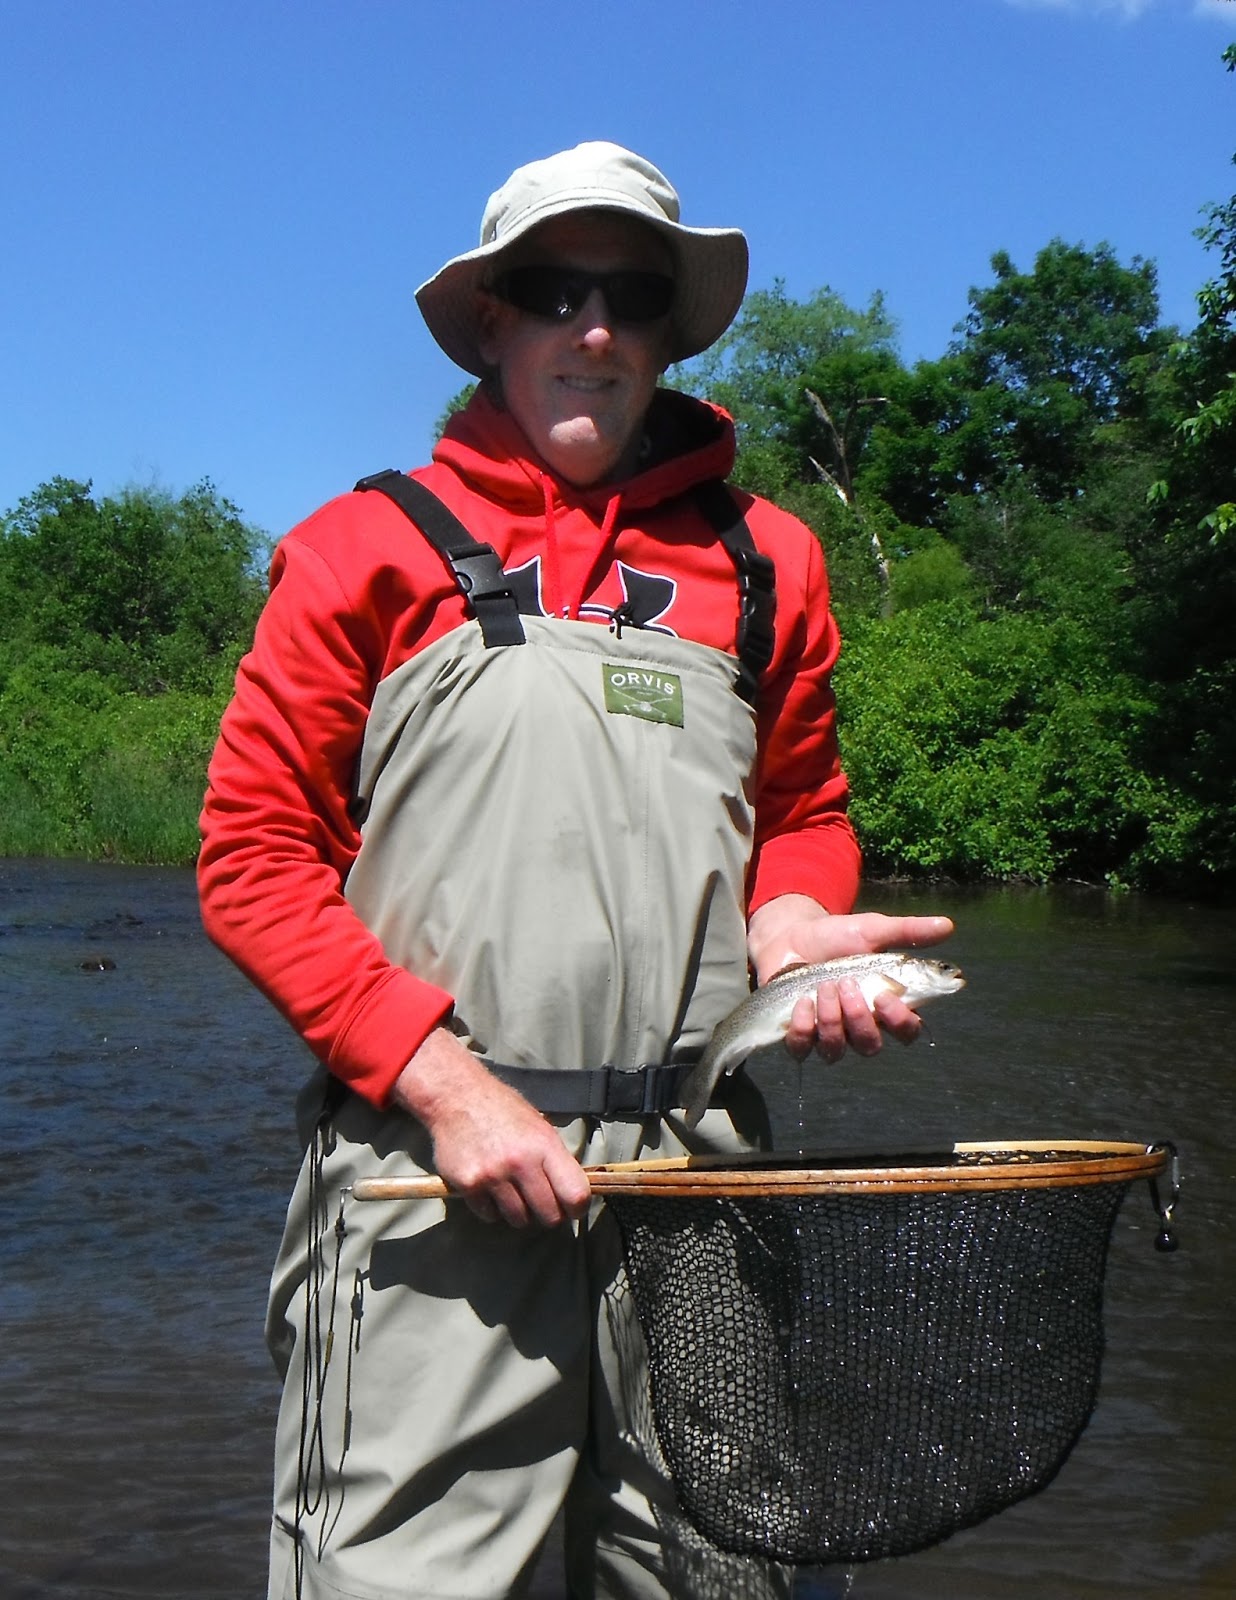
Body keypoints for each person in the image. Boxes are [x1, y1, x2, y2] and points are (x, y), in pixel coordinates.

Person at [198, 141, 953, 1600]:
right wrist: (444, 1085)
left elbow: (801, 809)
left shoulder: (770, 558)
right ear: (493, 323)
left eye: (629, 295)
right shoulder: (363, 547)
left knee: (720, 1575)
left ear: (673, 328)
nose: (592, 328)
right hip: (431, 1179)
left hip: (706, 1178)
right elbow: (252, 857)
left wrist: (794, 921)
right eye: (552, 290)